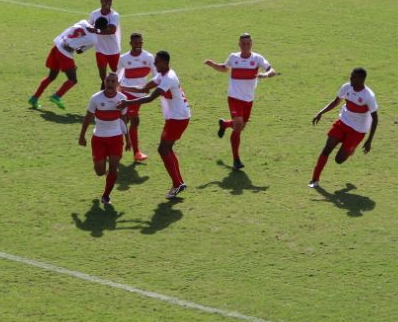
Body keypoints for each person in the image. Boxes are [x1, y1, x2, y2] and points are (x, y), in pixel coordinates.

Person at [119, 50, 191, 199]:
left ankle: (177, 184)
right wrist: (123, 88)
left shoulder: (168, 78)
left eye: (157, 61)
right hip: (176, 117)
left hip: (178, 118)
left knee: (163, 149)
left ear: (165, 62)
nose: (155, 64)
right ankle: (179, 182)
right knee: (166, 148)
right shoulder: (162, 75)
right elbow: (144, 88)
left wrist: (127, 102)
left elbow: (150, 98)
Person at [205, 33, 278, 170]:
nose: (245, 45)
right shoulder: (233, 57)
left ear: (251, 44)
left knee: (240, 127)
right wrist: (213, 64)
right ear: (239, 44)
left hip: (248, 99)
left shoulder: (257, 58)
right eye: (242, 43)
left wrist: (265, 75)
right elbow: (224, 68)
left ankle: (225, 124)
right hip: (234, 97)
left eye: (248, 43)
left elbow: (272, 70)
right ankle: (236, 159)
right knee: (238, 126)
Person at [309, 68, 378, 189]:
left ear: (361, 80)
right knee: (327, 148)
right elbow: (336, 102)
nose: (350, 79)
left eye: (353, 77)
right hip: (343, 122)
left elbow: (375, 119)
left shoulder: (369, 96)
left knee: (339, 160)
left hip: (358, 130)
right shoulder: (347, 87)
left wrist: (369, 140)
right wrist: (320, 112)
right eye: (350, 76)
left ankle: (350, 150)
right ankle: (315, 179)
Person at [28, 17, 106, 110]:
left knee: (51, 76)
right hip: (65, 54)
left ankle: (34, 98)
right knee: (73, 79)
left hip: (57, 47)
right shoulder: (93, 39)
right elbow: (79, 51)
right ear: (102, 29)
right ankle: (57, 96)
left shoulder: (83, 22)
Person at [79, 73, 127, 205]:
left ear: (117, 84)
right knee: (100, 172)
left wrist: (128, 139)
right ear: (104, 82)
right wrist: (82, 135)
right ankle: (102, 169)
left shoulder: (123, 99)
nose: (110, 83)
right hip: (99, 138)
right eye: (108, 81)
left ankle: (106, 195)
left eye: (113, 81)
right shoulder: (95, 98)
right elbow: (88, 117)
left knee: (113, 168)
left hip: (116, 138)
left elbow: (123, 119)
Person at [117, 31, 156, 162]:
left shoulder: (149, 57)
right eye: (135, 43)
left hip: (140, 95)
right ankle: (136, 152)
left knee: (125, 121)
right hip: (126, 93)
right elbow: (117, 76)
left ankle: (111, 141)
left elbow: (157, 76)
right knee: (134, 120)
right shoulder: (124, 58)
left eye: (140, 42)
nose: (138, 45)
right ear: (130, 44)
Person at [88, 0, 121, 86]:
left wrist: (96, 30)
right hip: (100, 49)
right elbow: (89, 26)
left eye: (110, 0)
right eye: (106, 0)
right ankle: (104, 84)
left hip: (113, 49)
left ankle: (117, 88)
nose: (108, 2)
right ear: (101, 1)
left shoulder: (114, 15)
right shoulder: (94, 14)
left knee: (116, 72)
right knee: (102, 71)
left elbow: (112, 30)